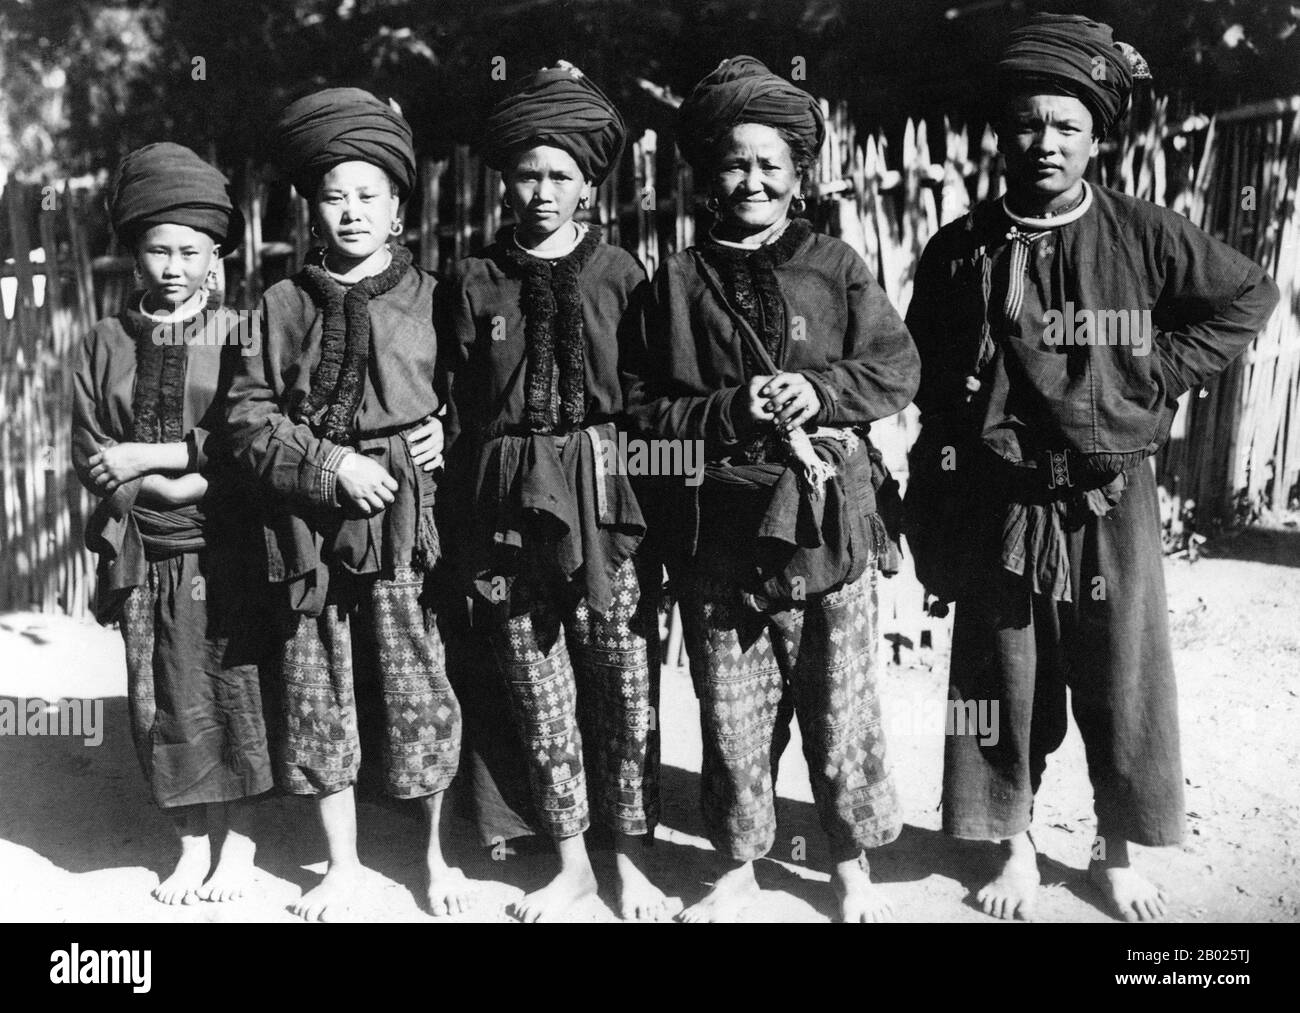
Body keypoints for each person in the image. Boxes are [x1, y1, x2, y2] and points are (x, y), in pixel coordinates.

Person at [904, 13, 1280, 922]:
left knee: (1122, 673)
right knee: (997, 677)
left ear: (1096, 138)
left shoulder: (1142, 234)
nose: (1045, 142)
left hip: (1111, 496)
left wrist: (1155, 373)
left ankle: (1115, 854)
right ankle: (1015, 845)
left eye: (1066, 126)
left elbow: (1248, 295)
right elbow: (920, 364)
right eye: (1028, 124)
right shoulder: (961, 246)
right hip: (1001, 498)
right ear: (1004, 133)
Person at [623, 56, 919, 922]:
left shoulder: (836, 265)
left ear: (801, 176)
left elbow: (897, 368)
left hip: (829, 523)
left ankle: (850, 863)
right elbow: (639, 409)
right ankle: (738, 866)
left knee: (841, 699)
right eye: (733, 164)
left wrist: (821, 393)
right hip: (720, 527)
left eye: (770, 164)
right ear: (709, 176)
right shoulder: (673, 284)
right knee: (731, 704)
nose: (751, 180)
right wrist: (726, 407)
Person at [225, 87, 468, 921]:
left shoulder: (435, 295)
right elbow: (247, 421)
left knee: (416, 683)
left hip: (406, 521)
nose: (352, 211)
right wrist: (328, 466)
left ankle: (435, 858)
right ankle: (344, 863)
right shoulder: (280, 305)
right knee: (318, 684)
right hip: (307, 528)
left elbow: (477, 394)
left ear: (399, 205)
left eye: (370, 195)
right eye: (335, 195)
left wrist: (447, 431)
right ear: (311, 206)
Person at [438, 62, 672, 922]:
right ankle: (570, 861)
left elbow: (650, 400)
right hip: (505, 504)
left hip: (608, 504)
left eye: (560, 176)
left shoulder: (622, 273)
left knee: (622, 684)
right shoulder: (471, 279)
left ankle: (629, 858)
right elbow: (454, 397)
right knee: (537, 685)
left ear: (588, 183)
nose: (542, 191)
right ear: (506, 179)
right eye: (527, 173)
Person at [72, 142, 273, 905]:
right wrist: (150, 479)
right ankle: (188, 843)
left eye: (191, 250)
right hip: (141, 551)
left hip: (222, 547)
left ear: (216, 254)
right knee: (156, 693)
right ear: (135, 252)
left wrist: (162, 470)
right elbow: (94, 451)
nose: (173, 265)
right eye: (157, 248)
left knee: (231, 687)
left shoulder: (240, 334)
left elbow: (242, 440)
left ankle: (240, 843)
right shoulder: (103, 341)